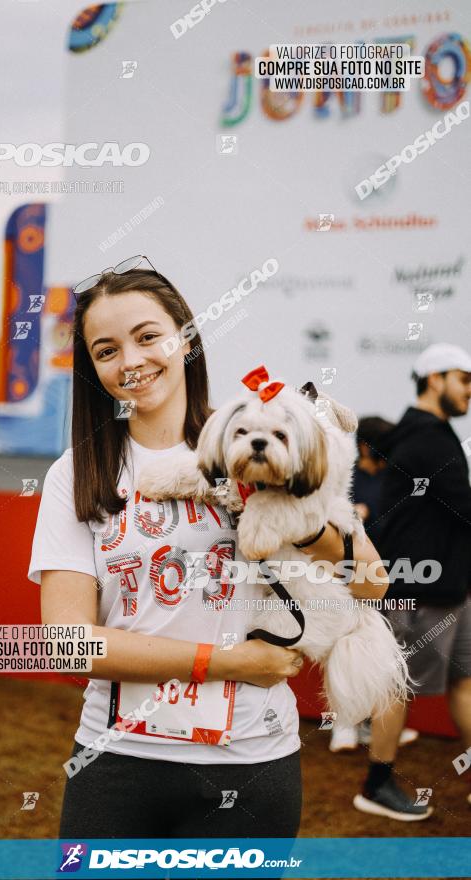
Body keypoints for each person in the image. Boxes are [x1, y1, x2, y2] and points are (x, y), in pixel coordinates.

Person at [27, 255, 388, 845]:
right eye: (106, 349)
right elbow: (69, 644)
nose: (132, 361)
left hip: (251, 765)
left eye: (148, 337)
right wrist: (222, 663)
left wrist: (288, 516)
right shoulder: (78, 472)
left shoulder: (259, 435)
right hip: (114, 765)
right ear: (92, 368)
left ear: (185, 338)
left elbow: (373, 583)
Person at [353, 343, 471, 820]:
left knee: (465, 682)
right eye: (464, 380)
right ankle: (376, 785)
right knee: (394, 690)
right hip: (419, 593)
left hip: (449, 588)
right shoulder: (426, 439)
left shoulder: (432, 434)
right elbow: (465, 506)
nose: (469, 391)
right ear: (435, 378)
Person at [330, 417, 419, 753]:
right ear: (366, 446)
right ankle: (343, 725)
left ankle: (372, 726)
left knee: (382, 655)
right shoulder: (344, 479)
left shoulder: (396, 478)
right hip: (349, 581)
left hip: (389, 580)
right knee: (344, 648)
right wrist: (352, 515)